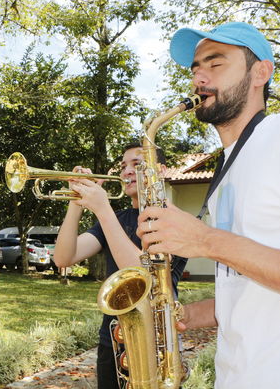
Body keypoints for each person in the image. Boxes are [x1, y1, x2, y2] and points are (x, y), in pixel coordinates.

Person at [136, 22, 280, 388]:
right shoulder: (228, 167)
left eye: (215, 64)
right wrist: (183, 315)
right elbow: (249, 285)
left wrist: (205, 241)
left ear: (261, 72)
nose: (200, 78)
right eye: (196, 69)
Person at [53, 142, 187, 389]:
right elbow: (63, 257)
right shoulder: (117, 219)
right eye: (123, 166)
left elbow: (147, 277)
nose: (126, 171)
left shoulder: (175, 220)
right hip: (113, 341)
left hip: (157, 345)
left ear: (161, 170)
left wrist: (103, 209)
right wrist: (75, 202)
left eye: (136, 164)